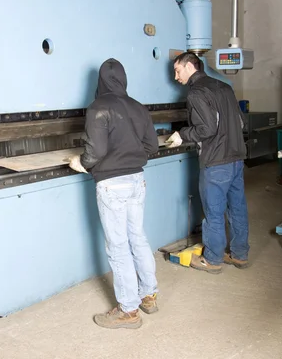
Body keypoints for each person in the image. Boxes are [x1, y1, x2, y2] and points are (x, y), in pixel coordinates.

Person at [68, 58, 160, 330]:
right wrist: (130, 157)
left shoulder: (98, 107)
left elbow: (94, 152)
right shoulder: (138, 107)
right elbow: (152, 147)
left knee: (118, 247)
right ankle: (149, 295)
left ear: (100, 81)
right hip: (137, 180)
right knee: (138, 238)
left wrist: (80, 163)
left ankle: (128, 312)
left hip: (112, 184)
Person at [165, 52, 250, 274]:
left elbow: (207, 129)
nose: (176, 77)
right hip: (236, 158)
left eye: (177, 70)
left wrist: (182, 134)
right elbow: (241, 122)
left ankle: (212, 260)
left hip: (216, 162)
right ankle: (240, 255)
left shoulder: (196, 93)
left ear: (190, 66)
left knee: (213, 212)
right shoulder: (224, 87)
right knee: (237, 208)